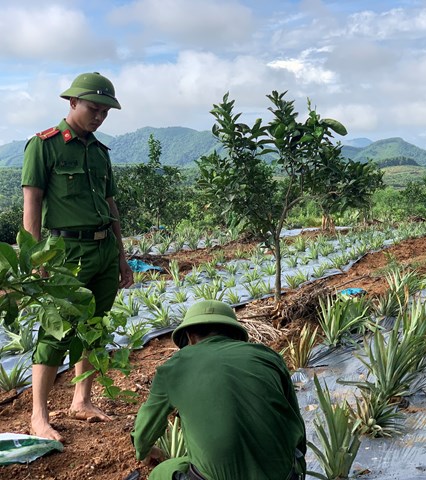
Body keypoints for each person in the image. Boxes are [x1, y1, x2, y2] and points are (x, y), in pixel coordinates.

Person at [21, 72, 134, 442]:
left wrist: (121, 256)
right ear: (72, 103)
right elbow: (32, 207)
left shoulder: (100, 152)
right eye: (93, 108)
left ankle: (80, 400)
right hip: (65, 254)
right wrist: (34, 258)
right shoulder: (44, 146)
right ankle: (39, 415)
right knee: (55, 332)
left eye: (105, 111)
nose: (99, 116)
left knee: (95, 327)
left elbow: (111, 204)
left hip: (103, 250)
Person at [131, 300, 307, 480]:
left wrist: (144, 451)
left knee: (162, 472)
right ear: (234, 335)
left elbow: (144, 432)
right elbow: (294, 419)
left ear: (190, 337)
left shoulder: (173, 368)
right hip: (285, 474)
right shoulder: (268, 356)